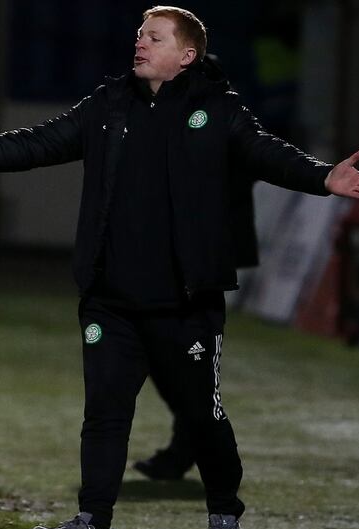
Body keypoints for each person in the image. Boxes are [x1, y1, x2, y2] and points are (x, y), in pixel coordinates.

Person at [0, 5, 359, 529]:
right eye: (138, 36)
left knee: (203, 418)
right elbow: (37, 143)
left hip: (185, 304)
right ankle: (93, 523)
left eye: (154, 37)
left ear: (187, 54)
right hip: (112, 299)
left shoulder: (218, 110)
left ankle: (224, 516)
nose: (140, 44)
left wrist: (324, 177)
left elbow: (267, 154)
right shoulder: (108, 104)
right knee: (105, 411)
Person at [133, 54, 260, 483]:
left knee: (187, 366)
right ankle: (185, 445)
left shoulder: (218, 115)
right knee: (168, 360)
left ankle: (204, 467)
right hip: (176, 259)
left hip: (198, 263)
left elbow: (253, 165)